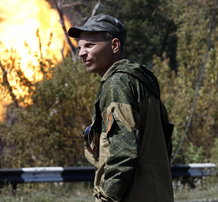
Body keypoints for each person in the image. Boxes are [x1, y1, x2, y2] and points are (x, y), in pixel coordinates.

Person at [67, 14, 174, 202]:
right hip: (157, 192)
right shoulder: (140, 80)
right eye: (80, 47)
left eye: (90, 45)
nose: (82, 53)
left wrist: (107, 197)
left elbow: (123, 151)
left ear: (115, 46)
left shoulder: (117, 83)